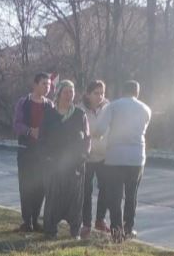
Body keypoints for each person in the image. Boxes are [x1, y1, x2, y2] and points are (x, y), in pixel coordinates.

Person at [93, 80, 152, 241]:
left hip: (115, 157)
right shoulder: (146, 109)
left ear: (122, 91)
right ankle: (128, 228)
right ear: (137, 92)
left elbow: (100, 131)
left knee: (115, 196)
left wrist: (96, 137)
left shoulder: (113, 107)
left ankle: (116, 231)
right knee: (132, 195)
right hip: (136, 157)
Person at [40, 80, 90, 239]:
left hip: (75, 164)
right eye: (66, 91)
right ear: (59, 93)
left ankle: (75, 231)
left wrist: (83, 156)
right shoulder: (49, 114)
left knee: (74, 199)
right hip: (53, 164)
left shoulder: (79, 114)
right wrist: (46, 157)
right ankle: (50, 230)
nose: (70, 95)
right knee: (53, 197)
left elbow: (87, 139)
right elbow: (42, 138)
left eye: (72, 91)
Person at [13, 73, 54, 232]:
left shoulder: (50, 105)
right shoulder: (23, 103)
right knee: (26, 186)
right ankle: (27, 221)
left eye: (49, 84)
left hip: (43, 153)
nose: (47, 87)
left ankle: (36, 219)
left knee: (41, 186)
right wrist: (30, 131)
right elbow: (16, 125)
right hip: (26, 151)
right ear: (35, 84)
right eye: (44, 83)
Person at [78, 80, 110, 237]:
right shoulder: (79, 109)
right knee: (86, 191)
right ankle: (86, 223)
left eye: (102, 93)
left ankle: (100, 220)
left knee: (106, 188)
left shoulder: (108, 107)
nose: (100, 96)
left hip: (104, 156)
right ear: (88, 94)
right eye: (96, 93)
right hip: (87, 157)